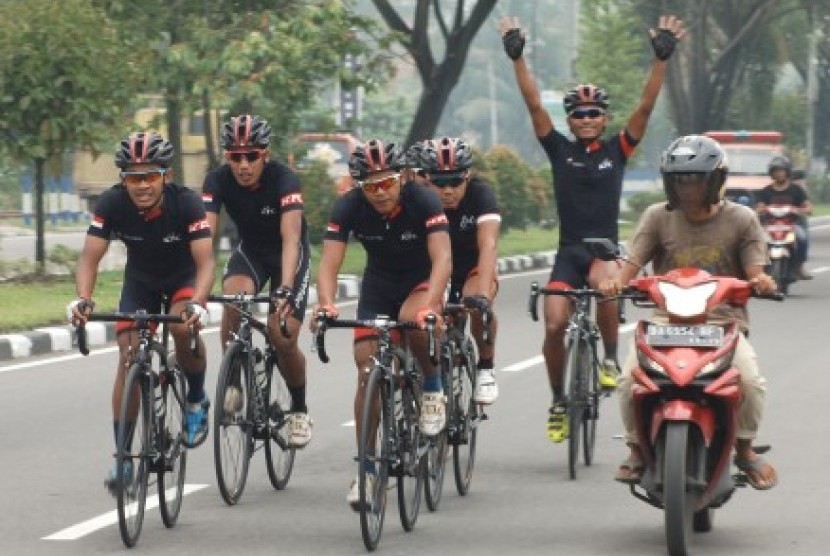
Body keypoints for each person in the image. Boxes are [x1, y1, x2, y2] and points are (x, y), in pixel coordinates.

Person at [500, 14, 687, 443]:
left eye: (593, 113)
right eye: (578, 113)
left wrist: (660, 61)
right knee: (552, 325)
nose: (585, 118)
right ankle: (558, 401)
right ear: (569, 119)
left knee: (607, 286)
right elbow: (532, 105)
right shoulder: (559, 149)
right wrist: (517, 58)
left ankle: (606, 358)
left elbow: (645, 107)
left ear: (603, 118)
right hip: (568, 253)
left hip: (604, 251)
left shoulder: (617, 150)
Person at [599, 134, 778, 490]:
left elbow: (756, 269)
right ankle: (636, 449)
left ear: (715, 180)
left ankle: (744, 449)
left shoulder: (742, 219)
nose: (687, 187)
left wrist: (761, 281)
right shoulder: (657, 217)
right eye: (680, 179)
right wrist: (615, 283)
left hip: (723, 322)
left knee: (751, 382)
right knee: (628, 379)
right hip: (665, 322)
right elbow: (631, 265)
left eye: (696, 178)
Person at [67, 131, 214, 494]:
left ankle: (195, 397)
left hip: (183, 279)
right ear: (123, 180)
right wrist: (83, 299)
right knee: (128, 357)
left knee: (182, 329)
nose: (142, 185)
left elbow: (206, 261)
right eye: (134, 177)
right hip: (142, 282)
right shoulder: (112, 203)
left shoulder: (188, 204)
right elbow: (89, 257)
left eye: (150, 176)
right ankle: (122, 456)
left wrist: (198, 301)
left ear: (166, 175)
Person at [313, 139, 451, 509]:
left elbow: (442, 258)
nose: (379, 192)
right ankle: (367, 468)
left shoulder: (424, 200)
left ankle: (433, 388)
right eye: (370, 186)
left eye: (387, 183)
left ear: (402, 178)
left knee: (413, 321)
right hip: (378, 286)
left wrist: (433, 304)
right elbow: (328, 264)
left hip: (422, 280)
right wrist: (325, 304)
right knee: (366, 368)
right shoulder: (349, 207)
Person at [202, 114, 313, 448]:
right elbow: (204, 238)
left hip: (288, 254)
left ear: (266, 153)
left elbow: (291, 239)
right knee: (234, 299)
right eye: (235, 157)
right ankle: (234, 380)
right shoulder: (217, 180)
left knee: (283, 336)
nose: (243, 164)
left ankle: (298, 408)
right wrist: (198, 284)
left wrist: (284, 290)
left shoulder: (284, 179)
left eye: (251, 156)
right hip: (251, 252)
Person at [418, 137, 501, 404]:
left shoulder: (481, 195)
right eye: (439, 183)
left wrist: (484, 298)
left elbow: (488, 246)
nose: (448, 190)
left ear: (468, 177)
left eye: (455, 181)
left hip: (473, 267)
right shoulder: (417, 199)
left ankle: (486, 367)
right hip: (433, 268)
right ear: (425, 179)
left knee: (476, 302)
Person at [755, 155, 813, 280]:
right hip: (770, 225)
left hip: (792, 225)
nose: (779, 174)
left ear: (787, 172)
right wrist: (760, 210)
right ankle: (758, 267)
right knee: (756, 240)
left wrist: (802, 210)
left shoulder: (796, 190)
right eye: (775, 171)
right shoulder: (765, 191)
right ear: (771, 173)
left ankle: (798, 266)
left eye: (781, 170)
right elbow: (760, 206)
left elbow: (807, 206)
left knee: (803, 238)